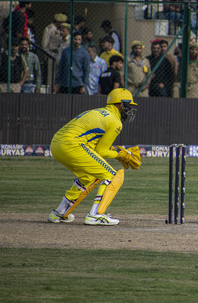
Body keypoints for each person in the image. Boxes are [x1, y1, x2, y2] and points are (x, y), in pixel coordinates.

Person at [47, 88, 140, 225]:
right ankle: (95, 215)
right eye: (129, 106)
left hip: (56, 144)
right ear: (121, 104)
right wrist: (120, 155)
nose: (130, 109)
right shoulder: (115, 122)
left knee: (88, 176)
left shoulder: (98, 112)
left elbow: (96, 147)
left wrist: (116, 151)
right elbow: (101, 152)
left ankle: (59, 213)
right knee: (111, 176)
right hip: (73, 145)